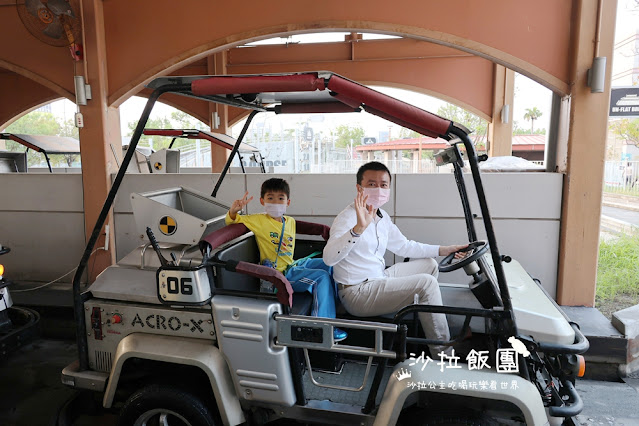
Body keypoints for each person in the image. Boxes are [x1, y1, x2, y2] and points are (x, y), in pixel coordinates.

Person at [323, 162, 467, 355]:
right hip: (357, 293)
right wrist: (358, 230)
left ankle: (425, 328)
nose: (379, 189)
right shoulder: (347, 218)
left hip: (378, 277)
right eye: (372, 184)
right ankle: (442, 353)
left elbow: (404, 246)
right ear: (359, 188)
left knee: (429, 265)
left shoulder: (382, 216)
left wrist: (445, 249)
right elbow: (329, 258)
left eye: (384, 185)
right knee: (426, 284)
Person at [226, 178, 348, 342]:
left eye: (280, 198)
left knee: (331, 264)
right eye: (270, 198)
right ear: (262, 201)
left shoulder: (289, 221)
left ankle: (337, 308)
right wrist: (234, 211)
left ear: (288, 202)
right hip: (281, 273)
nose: (275, 202)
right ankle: (321, 327)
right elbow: (232, 221)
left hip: (293, 264)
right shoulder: (259, 220)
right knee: (321, 277)